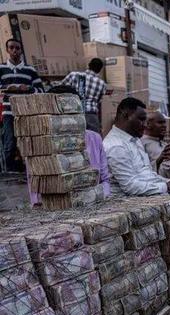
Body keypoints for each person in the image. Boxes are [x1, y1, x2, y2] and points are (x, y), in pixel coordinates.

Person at [28, 86, 111, 205]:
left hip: (93, 205)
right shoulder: (39, 143)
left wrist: (98, 197)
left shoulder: (94, 138)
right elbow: (36, 190)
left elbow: (105, 180)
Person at [103, 97, 170, 196]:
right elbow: (130, 187)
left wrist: (168, 182)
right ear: (126, 116)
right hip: (129, 202)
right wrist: (166, 186)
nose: (145, 125)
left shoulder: (135, 140)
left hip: (148, 195)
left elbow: (147, 174)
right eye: (141, 119)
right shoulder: (115, 146)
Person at [0, 39, 44, 171]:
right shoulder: (1, 69)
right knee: (10, 144)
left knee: (29, 142)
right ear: (7, 50)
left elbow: (41, 91)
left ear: (21, 50)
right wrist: (8, 87)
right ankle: (10, 174)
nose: (14, 50)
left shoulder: (29, 70)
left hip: (27, 112)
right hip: (8, 111)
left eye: (17, 48)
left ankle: (30, 171)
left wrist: (29, 89)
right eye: (11, 48)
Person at [61, 58, 107, 133]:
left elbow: (60, 88)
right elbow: (99, 101)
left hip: (74, 112)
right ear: (99, 70)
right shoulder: (102, 84)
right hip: (91, 116)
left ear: (89, 65)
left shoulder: (74, 75)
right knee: (93, 141)